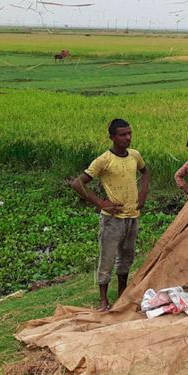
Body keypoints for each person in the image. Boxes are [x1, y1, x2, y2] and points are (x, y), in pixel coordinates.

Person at [70, 118, 150, 311]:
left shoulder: (135, 156)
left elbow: (146, 173)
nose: (128, 138)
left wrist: (142, 195)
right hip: (112, 219)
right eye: (123, 135)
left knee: (126, 257)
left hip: (132, 215)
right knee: (107, 257)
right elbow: (78, 183)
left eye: (129, 133)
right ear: (113, 137)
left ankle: (122, 294)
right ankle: (104, 299)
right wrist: (101, 203)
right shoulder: (104, 160)